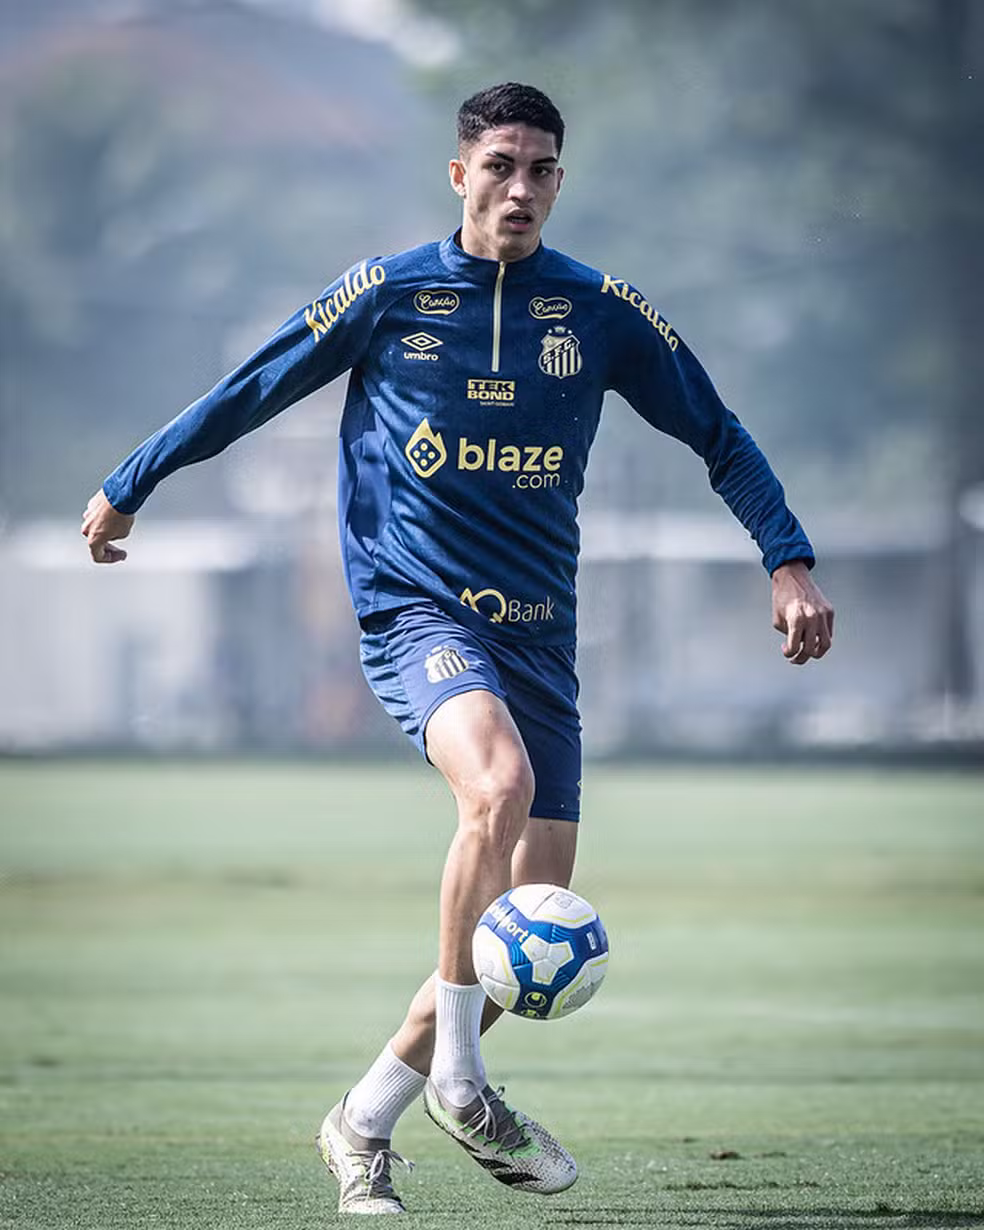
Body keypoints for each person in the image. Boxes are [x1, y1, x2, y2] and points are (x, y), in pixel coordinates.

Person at [82, 82, 835, 1214]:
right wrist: (129, 484)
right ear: (459, 175)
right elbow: (251, 387)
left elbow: (720, 435)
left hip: (542, 638)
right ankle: (464, 1087)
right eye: (499, 166)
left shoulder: (598, 311)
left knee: (521, 927)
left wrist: (788, 559)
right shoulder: (392, 294)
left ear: (559, 184)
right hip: (416, 608)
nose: (518, 188)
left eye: (539, 170)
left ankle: (364, 1119)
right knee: (498, 787)